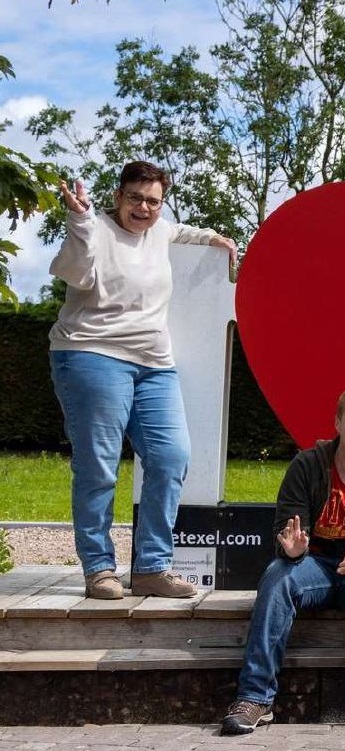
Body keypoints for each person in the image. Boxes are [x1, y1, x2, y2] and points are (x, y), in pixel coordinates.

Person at [49, 161, 237, 600]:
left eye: (153, 201)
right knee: (99, 465)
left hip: (154, 363)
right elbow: (76, 273)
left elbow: (180, 231)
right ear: (118, 196)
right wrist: (78, 220)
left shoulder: (161, 230)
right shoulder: (94, 229)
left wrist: (215, 239)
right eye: (135, 198)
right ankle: (99, 569)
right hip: (92, 354)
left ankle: (152, 567)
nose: (144, 208)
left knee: (172, 457)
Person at [221, 386, 345, 735]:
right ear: (338, 422)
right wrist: (291, 549)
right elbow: (286, 527)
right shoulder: (307, 465)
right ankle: (255, 697)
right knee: (278, 575)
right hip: (316, 566)